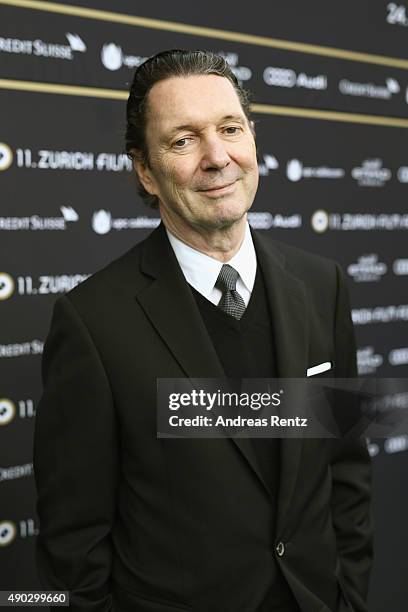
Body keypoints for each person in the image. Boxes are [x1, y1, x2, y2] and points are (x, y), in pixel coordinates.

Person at [34, 49, 373, 612]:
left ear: (252, 140)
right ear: (145, 169)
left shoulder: (323, 286)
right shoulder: (91, 323)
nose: (217, 158)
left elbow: (346, 472)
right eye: (183, 140)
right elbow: (74, 546)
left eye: (230, 128)